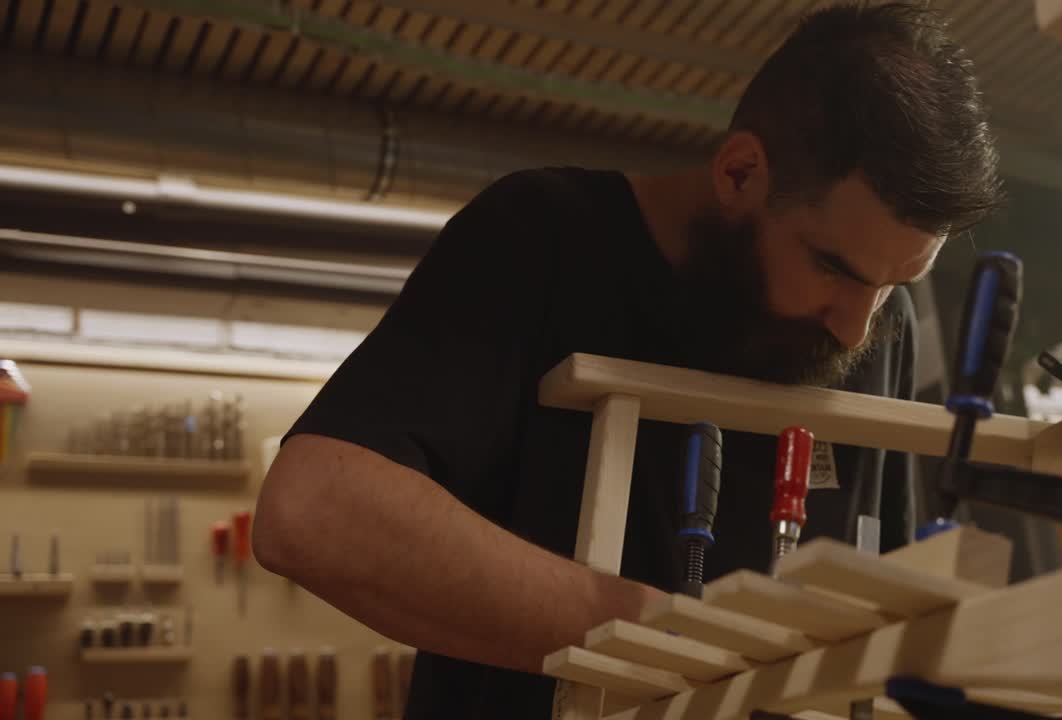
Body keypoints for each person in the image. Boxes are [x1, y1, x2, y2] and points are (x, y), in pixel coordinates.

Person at [253, 2, 1003, 717]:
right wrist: (663, 634)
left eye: (895, 282)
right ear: (741, 172)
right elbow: (318, 512)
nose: (853, 330)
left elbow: (893, 595)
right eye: (834, 268)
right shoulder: (545, 239)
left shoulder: (881, 323)